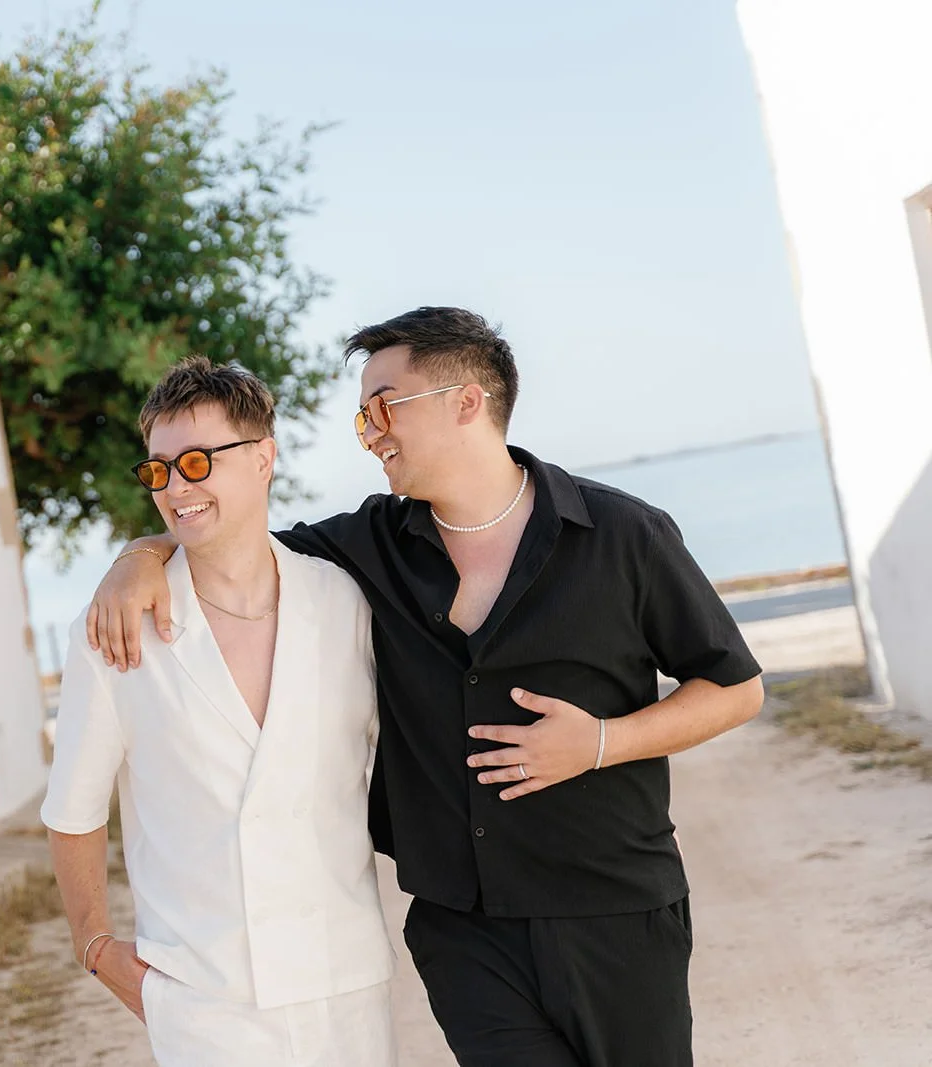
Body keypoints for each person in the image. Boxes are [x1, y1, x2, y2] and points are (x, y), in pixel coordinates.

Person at [87, 307, 765, 1067]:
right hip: (462, 932)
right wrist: (137, 558)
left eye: (383, 406)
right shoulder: (368, 546)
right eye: (363, 415)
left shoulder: (624, 535)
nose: (370, 431)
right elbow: (227, 535)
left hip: (614, 911)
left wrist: (602, 741)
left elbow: (736, 687)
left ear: (466, 402)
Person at [41, 356, 397, 1066]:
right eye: (159, 469)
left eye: (199, 461)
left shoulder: (343, 602)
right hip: (202, 1001)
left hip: (345, 983)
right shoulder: (117, 626)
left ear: (263, 456)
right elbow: (73, 808)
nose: (176, 487)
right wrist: (96, 947)